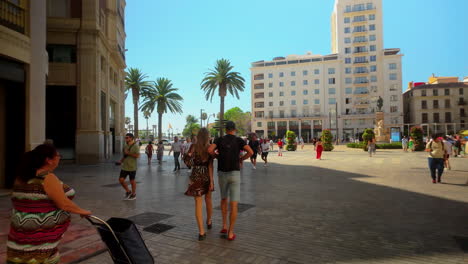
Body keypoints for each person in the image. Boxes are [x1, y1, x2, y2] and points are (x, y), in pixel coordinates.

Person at [7, 144, 91, 263]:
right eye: (58, 155)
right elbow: (63, 204)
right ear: (49, 160)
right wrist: (83, 211)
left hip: (19, 232)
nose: (59, 158)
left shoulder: (21, 177)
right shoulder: (47, 178)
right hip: (40, 236)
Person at [208, 121, 253, 241]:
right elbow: (251, 152)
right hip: (234, 173)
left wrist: (217, 156)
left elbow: (210, 150)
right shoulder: (239, 140)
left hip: (222, 173)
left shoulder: (219, 139)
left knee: (223, 199)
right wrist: (241, 159)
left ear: (226, 129)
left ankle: (224, 226)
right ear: (234, 129)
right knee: (234, 204)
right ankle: (231, 233)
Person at [183, 128, 214, 241]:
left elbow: (187, 162)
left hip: (195, 176)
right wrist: (212, 182)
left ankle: (201, 232)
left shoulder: (193, 147)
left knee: (198, 204)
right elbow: (210, 166)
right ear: (207, 136)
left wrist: (189, 155)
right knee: (208, 199)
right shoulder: (209, 148)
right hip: (206, 176)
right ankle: (209, 221)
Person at [117, 133, 140, 200]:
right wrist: (120, 161)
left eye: (127, 138)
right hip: (125, 166)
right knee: (121, 180)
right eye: (125, 137)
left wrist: (129, 153)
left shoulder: (135, 146)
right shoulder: (125, 146)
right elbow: (125, 155)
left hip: (132, 167)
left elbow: (137, 156)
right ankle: (128, 191)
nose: (126, 139)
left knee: (132, 181)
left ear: (131, 138)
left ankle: (133, 194)